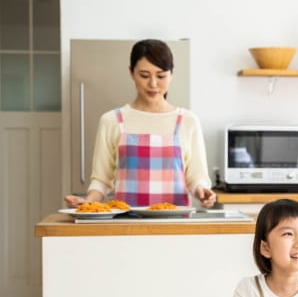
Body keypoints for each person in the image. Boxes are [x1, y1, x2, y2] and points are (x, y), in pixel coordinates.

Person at [64, 39, 216, 208]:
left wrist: (203, 192)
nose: (153, 84)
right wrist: (87, 202)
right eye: (144, 75)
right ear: (131, 72)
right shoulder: (112, 120)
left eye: (161, 76)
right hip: (126, 224)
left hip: (175, 224)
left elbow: (196, 178)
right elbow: (101, 180)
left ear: (171, 74)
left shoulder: (188, 121)